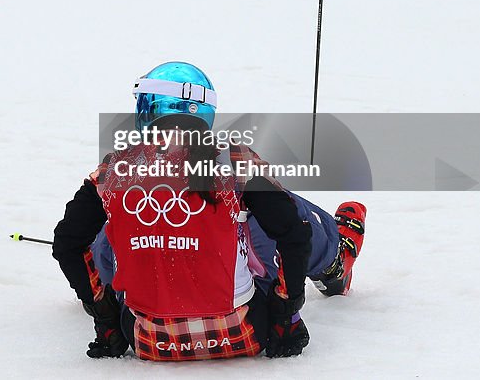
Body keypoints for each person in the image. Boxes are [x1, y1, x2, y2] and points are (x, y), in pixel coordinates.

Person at [53, 62, 367, 361]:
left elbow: (67, 242)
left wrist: (104, 317)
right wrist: (287, 312)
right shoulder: (234, 160)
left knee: (108, 229)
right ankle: (334, 260)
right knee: (276, 213)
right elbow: (293, 232)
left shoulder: (113, 169)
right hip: (244, 331)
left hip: (146, 340)